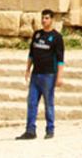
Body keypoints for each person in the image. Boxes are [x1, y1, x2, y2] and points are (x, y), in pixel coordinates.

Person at [18, 9, 64, 141]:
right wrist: (27, 69)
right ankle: (30, 130)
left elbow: (60, 59)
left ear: (52, 20)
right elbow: (31, 54)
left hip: (49, 75)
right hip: (36, 74)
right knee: (31, 102)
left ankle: (50, 129)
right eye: (43, 18)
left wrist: (59, 77)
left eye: (47, 18)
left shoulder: (57, 37)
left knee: (49, 103)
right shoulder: (37, 35)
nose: (44, 21)